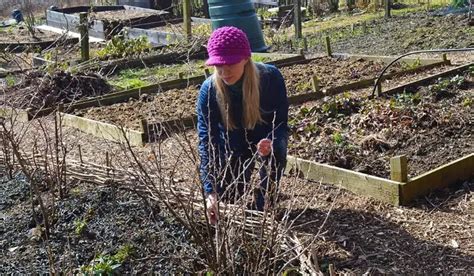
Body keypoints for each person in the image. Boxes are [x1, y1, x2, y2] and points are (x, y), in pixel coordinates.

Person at [196, 26, 288, 224]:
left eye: (230, 63)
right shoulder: (209, 91)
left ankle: (265, 202)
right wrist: (211, 192)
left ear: (246, 58)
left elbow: (281, 124)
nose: (223, 71)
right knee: (227, 199)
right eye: (217, 65)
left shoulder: (270, 79)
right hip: (232, 142)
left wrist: (271, 142)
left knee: (277, 150)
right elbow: (207, 142)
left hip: (265, 138)